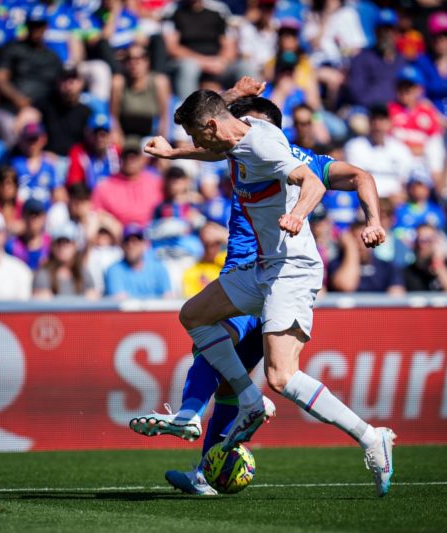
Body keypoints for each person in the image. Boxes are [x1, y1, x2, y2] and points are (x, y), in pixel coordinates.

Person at [139, 90, 395, 497]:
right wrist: (175, 154)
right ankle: (247, 400)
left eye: (196, 134)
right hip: (261, 267)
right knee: (193, 315)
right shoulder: (240, 133)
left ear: (210, 127)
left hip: (291, 269)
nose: (198, 141)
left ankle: (370, 436)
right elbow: (214, 134)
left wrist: (297, 214)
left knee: (281, 376)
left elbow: (311, 181)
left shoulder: (263, 144)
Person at [0, 5, 61, 148]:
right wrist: (19, 100)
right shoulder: (12, 49)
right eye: (33, 25)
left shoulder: (53, 57)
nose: (36, 29)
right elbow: (0, 78)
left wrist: (34, 109)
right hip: (11, 108)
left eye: (40, 25)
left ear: (46, 27)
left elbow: (57, 87)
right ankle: (13, 166)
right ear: (27, 26)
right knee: (6, 125)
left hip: (42, 109)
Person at [344, 103, 414, 201]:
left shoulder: (401, 149)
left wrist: (401, 195)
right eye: (374, 120)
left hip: (394, 203)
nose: (377, 125)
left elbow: (405, 181)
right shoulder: (355, 146)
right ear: (369, 123)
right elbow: (355, 180)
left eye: (382, 120)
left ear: (389, 123)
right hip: (366, 200)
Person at [110, 43, 171, 146]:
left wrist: (160, 143)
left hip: (151, 137)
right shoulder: (119, 83)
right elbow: (113, 116)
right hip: (125, 137)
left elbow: (165, 118)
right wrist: (117, 136)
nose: (133, 63)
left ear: (147, 61)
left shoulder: (159, 82)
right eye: (129, 59)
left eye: (139, 58)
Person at [345, 9, 406, 109]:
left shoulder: (402, 60)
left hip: (397, 111)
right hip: (369, 110)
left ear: (397, 33)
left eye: (390, 30)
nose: (386, 34)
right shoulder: (362, 58)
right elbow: (357, 94)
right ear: (375, 32)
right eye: (381, 30)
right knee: (358, 123)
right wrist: (383, 106)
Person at [412, 12, 447, 118]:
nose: (441, 40)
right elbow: (418, 96)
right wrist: (437, 119)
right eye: (436, 36)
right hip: (430, 119)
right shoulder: (422, 62)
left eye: (446, 35)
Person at [91, 143, 163, 227]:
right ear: (120, 159)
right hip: (118, 232)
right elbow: (96, 212)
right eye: (126, 156)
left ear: (142, 159)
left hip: (152, 229)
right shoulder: (105, 185)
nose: (130, 160)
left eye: (134, 157)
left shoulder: (156, 182)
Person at [104, 223, 171, 299]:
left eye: (136, 241)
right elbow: (119, 301)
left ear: (144, 244)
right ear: (121, 245)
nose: (131, 245)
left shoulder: (159, 268)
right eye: (127, 241)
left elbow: (167, 296)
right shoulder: (114, 270)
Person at [33, 221, 97, 299]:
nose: (62, 247)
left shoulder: (82, 272)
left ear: (75, 246)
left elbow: (92, 297)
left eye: (67, 242)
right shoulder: (43, 273)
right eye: (58, 242)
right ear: (52, 246)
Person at [65, 113, 121, 191]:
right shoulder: (79, 151)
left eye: (103, 134)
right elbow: (74, 181)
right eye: (95, 133)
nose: (99, 138)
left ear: (109, 135)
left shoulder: (117, 152)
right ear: (88, 134)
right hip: (87, 197)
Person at [403, 223, 447, 294]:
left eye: (426, 240)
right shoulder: (408, 272)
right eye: (418, 240)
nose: (421, 245)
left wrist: (438, 264)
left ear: (436, 242)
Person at [181, 222, 227, 298]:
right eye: (206, 244)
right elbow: (190, 299)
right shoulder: (192, 271)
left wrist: (225, 236)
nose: (211, 249)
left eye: (217, 243)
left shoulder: (227, 262)